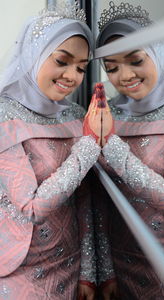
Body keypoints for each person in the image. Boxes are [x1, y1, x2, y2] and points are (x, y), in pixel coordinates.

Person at [88, 1, 164, 299]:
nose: (123, 76)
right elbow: (94, 196)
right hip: (118, 258)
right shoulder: (105, 114)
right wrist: (100, 268)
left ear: (158, 54)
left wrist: (109, 145)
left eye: (135, 60)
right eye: (111, 67)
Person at [0, 1, 101, 299]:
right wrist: (90, 144)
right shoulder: (5, 116)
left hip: (70, 265)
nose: (72, 75)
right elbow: (31, 207)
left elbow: (83, 200)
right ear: (35, 54)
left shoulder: (73, 114)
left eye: (81, 67)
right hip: (19, 269)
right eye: (62, 60)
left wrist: (88, 271)